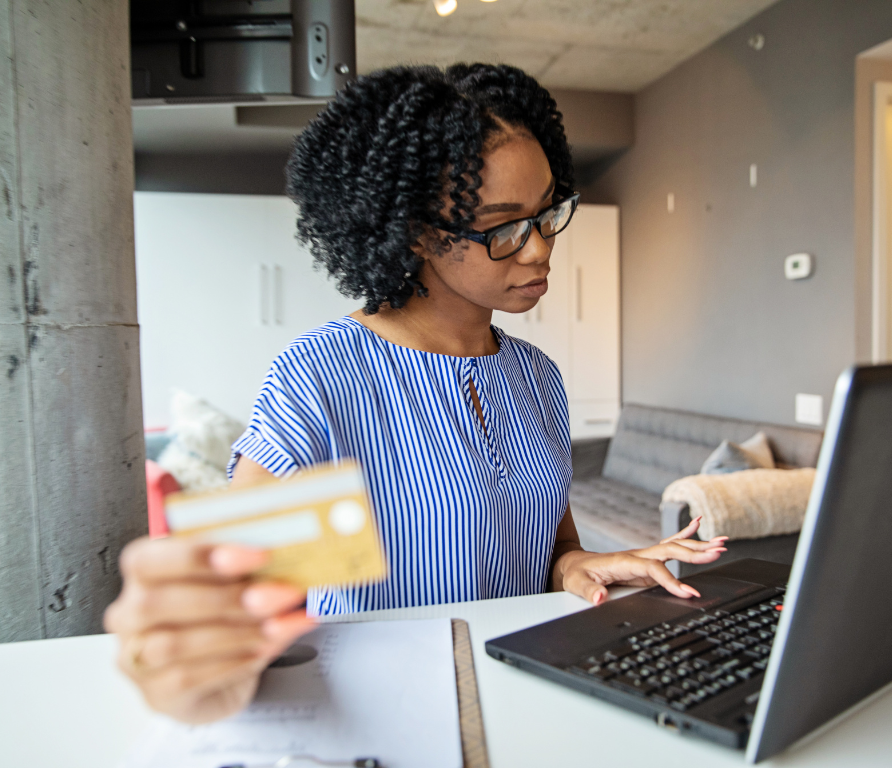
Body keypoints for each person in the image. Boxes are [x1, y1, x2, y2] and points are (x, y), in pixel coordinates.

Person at [104, 63, 727, 724]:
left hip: (531, 698)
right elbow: (239, 603)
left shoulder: (537, 376)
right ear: (418, 233)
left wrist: (579, 566)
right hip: (395, 717)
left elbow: (547, 545)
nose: (540, 249)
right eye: (504, 227)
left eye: (548, 212)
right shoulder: (319, 377)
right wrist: (185, 657)